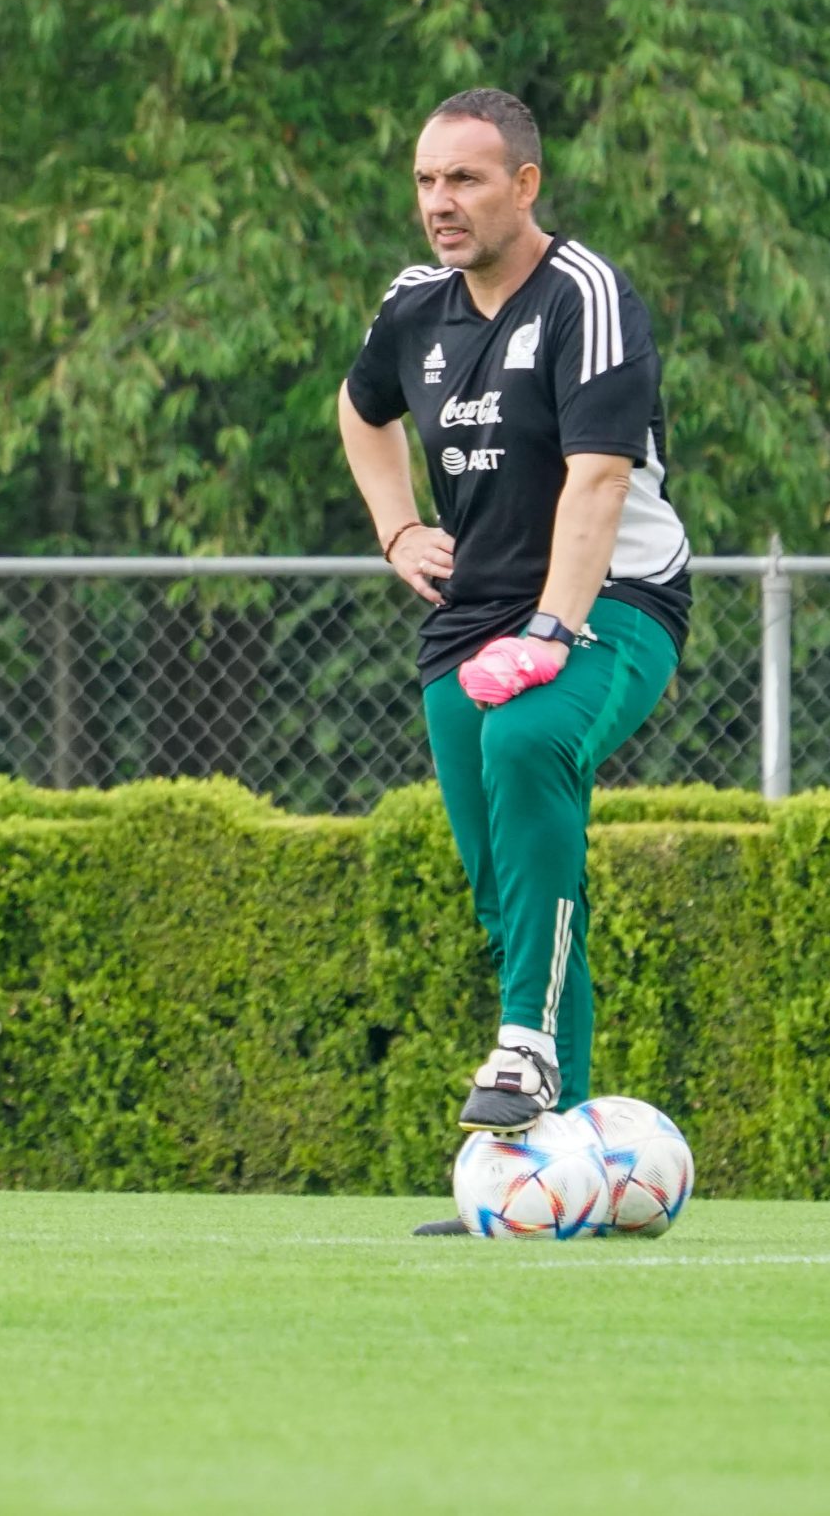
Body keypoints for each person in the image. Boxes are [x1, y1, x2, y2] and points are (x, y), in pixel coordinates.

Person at [337, 89, 689, 1230]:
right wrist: (396, 527)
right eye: (427, 180)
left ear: (524, 185)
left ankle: (528, 1051)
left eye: (467, 180)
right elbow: (359, 410)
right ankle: (555, 1168)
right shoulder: (412, 305)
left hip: (613, 604)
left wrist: (549, 629)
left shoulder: (586, 295)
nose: (440, 203)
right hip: (466, 619)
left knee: (528, 737)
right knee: (510, 897)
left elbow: (596, 480)